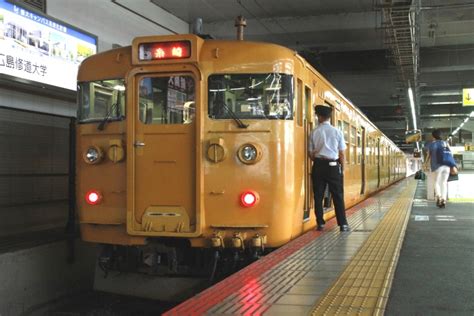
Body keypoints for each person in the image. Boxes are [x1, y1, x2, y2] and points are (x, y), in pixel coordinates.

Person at [309, 105, 349, 232]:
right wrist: (343, 168)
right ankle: (343, 224)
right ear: (329, 117)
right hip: (333, 166)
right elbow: (341, 153)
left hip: (319, 165)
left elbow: (310, 154)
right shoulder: (337, 132)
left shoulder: (314, 132)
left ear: (319, 117)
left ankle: (320, 223)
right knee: (337, 195)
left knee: (318, 195)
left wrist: (317, 158)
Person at [426, 129, 451, 208]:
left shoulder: (431, 145)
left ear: (433, 136)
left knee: (436, 182)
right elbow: (450, 154)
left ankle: (439, 197)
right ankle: (444, 199)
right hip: (446, 166)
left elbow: (428, 156)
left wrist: (425, 164)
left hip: (436, 166)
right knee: (444, 183)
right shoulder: (445, 143)